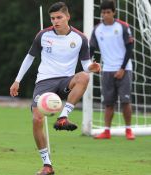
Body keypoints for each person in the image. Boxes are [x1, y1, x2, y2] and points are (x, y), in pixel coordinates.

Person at [9, 2, 100, 174]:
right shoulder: (42, 35)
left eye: (59, 17)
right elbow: (29, 58)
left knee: (84, 76)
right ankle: (47, 165)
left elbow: (86, 65)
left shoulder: (80, 38)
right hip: (44, 82)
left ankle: (63, 117)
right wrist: (17, 81)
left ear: (68, 17)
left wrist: (92, 68)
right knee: (36, 119)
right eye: (52, 18)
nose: (55, 21)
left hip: (66, 80)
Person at [89, 0, 135, 140]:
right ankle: (106, 131)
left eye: (108, 12)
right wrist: (90, 63)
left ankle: (128, 130)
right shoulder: (97, 29)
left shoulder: (123, 27)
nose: (105, 15)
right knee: (108, 103)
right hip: (107, 70)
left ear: (113, 12)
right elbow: (91, 49)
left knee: (125, 101)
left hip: (124, 69)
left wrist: (122, 68)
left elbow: (129, 49)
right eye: (103, 13)